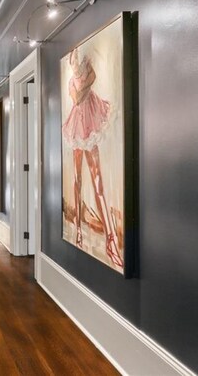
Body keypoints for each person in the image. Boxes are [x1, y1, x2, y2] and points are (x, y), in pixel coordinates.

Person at [62, 48, 123, 268]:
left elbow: (91, 80)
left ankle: (110, 240)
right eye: (74, 62)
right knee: (77, 180)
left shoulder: (85, 72)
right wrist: (84, 84)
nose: (76, 65)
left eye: (79, 62)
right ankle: (78, 229)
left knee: (98, 183)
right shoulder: (72, 82)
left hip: (91, 121)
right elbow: (77, 98)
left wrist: (84, 85)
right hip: (77, 128)